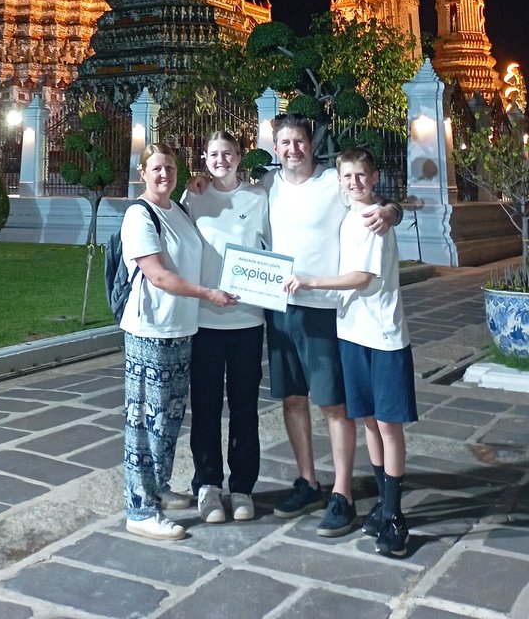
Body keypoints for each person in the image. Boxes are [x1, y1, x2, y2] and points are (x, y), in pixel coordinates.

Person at [260, 113, 400, 537]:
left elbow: (374, 200)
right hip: (281, 306)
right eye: (284, 143)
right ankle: (308, 481)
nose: (292, 150)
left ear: (311, 143)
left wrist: (391, 211)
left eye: (299, 142)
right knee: (292, 398)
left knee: (333, 404)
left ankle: (343, 492)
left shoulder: (333, 185)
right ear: (275, 146)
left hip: (323, 308)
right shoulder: (268, 186)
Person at [285, 147, 417, 556]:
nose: (354, 183)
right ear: (339, 181)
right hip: (353, 333)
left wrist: (310, 282)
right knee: (370, 422)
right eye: (347, 177)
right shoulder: (347, 215)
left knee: (389, 425)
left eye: (361, 175)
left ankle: (395, 515)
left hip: (383, 337)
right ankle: (383, 501)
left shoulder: (375, 218)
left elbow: (361, 278)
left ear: (374, 177)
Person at [120, 142, 239, 541]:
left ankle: (158, 487)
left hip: (181, 328)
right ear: (143, 173)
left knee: (169, 416)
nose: (163, 174)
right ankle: (140, 508)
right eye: (156, 168)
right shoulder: (140, 215)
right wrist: (209, 295)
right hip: (150, 329)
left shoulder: (179, 209)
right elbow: (158, 276)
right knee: (144, 419)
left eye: (169, 167)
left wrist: (200, 181)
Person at [180, 131, 270, 524]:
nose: (221, 160)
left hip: (247, 319)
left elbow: (273, 249)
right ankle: (208, 484)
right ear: (205, 157)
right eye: (214, 154)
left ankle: (243, 487)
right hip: (203, 319)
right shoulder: (194, 197)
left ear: (240, 157)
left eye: (228, 153)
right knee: (205, 407)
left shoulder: (257, 197)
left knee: (245, 407)